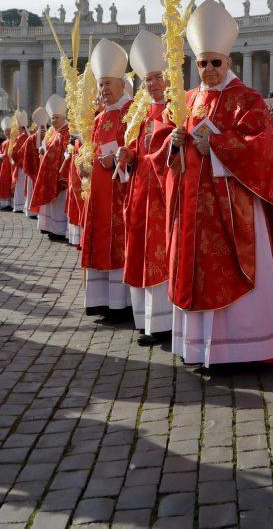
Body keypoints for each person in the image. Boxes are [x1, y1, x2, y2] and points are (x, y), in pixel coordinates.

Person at [162, 0, 273, 366]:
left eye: (215, 62)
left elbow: (263, 147)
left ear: (228, 61)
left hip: (234, 204)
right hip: (195, 207)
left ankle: (246, 348)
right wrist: (175, 143)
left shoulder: (247, 98)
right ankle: (198, 347)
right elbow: (170, 143)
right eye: (202, 63)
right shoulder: (188, 99)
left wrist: (218, 144)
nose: (209, 69)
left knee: (235, 272)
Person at [116, 31, 175, 346]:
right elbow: (137, 151)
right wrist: (127, 156)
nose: (151, 84)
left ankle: (162, 324)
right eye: (146, 80)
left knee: (160, 252)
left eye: (156, 78)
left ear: (167, 79)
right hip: (139, 194)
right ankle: (144, 320)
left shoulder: (176, 109)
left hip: (163, 195)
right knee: (140, 252)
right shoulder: (140, 115)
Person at [81, 38, 133, 320]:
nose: (103, 90)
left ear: (122, 84)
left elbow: (134, 148)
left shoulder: (130, 112)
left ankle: (119, 304)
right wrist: (85, 165)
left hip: (119, 190)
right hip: (99, 191)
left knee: (117, 243)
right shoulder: (100, 118)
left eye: (108, 84)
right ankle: (100, 301)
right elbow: (90, 148)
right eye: (101, 85)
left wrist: (118, 159)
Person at [30, 94, 70, 240]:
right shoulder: (53, 132)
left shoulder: (67, 132)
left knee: (58, 203)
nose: (53, 121)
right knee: (51, 204)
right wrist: (43, 150)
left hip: (60, 174)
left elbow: (65, 150)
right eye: (52, 118)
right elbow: (46, 146)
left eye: (56, 118)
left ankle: (58, 230)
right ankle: (49, 227)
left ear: (63, 118)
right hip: (49, 171)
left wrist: (47, 151)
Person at [9, 110, 31, 214]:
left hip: (20, 166)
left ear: (21, 128)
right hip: (28, 166)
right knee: (26, 185)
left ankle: (18, 206)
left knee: (19, 185)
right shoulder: (31, 136)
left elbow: (14, 152)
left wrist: (15, 160)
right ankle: (25, 205)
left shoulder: (20, 137)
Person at [0, 116, 15, 211]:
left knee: (11, 184)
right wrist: (0, 156)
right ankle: (5, 204)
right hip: (4, 167)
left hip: (11, 166)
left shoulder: (15, 141)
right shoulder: (3, 143)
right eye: (6, 131)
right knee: (4, 184)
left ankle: (12, 203)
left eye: (9, 130)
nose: (7, 132)